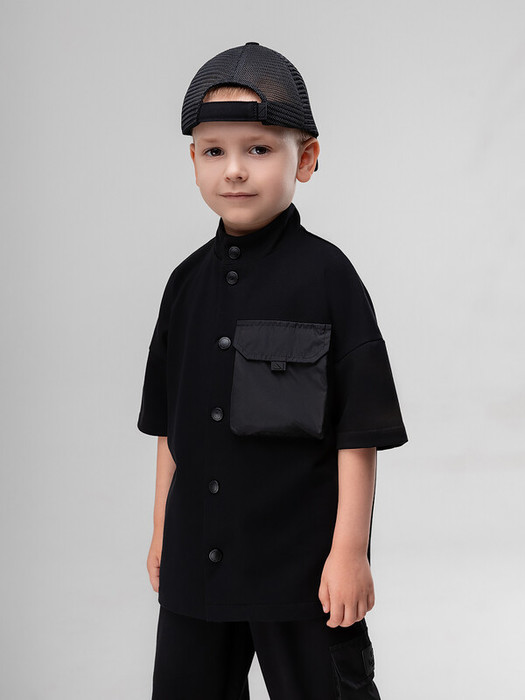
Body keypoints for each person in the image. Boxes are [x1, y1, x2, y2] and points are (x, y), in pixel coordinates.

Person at [137, 41, 408, 700]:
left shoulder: (328, 278)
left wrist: (350, 553)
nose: (234, 170)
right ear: (193, 162)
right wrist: (161, 532)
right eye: (214, 151)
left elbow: (358, 435)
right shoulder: (184, 285)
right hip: (197, 569)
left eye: (258, 149)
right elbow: (170, 427)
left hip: (303, 574)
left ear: (305, 159)